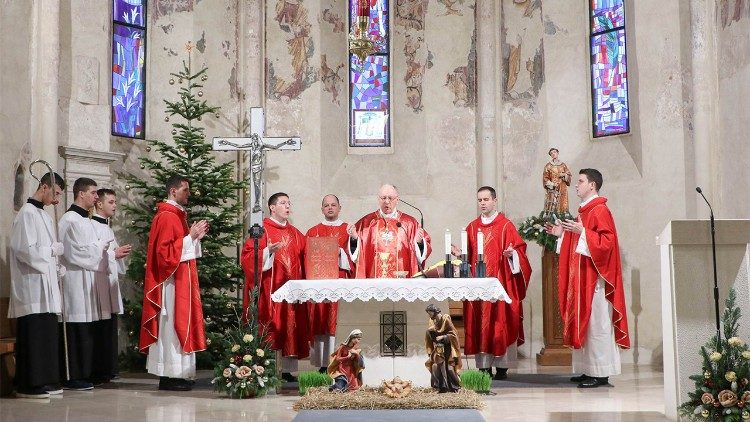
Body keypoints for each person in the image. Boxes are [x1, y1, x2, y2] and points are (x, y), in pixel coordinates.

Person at [544, 168, 630, 388]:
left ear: (592, 185)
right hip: (582, 279)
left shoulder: (600, 210)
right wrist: (562, 235)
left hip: (595, 281)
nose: (576, 185)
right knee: (587, 325)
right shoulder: (584, 211)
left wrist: (583, 231)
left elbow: (607, 243)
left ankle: (601, 373)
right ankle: (587, 368)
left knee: (598, 325)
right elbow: (578, 242)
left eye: (580, 181)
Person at [140, 175, 208, 391]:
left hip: (181, 280)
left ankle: (179, 374)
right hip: (170, 284)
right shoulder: (167, 216)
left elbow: (181, 247)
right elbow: (164, 254)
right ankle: (169, 375)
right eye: (185, 190)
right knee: (171, 328)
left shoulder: (177, 215)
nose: (189, 193)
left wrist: (194, 238)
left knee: (179, 326)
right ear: (173, 191)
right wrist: (190, 237)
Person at [455, 186, 532, 380]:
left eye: (486, 199)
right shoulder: (472, 227)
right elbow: (469, 257)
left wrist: (512, 255)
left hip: (500, 284)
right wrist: (461, 255)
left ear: (494, 201)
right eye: (480, 200)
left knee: (499, 322)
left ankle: (502, 366)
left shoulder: (506, 226)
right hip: (479, 286)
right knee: (480, 323)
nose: (482, 203)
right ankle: (483, 367)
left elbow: (520, 251)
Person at [241, 192, 310, 382]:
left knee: (291, 326)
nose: (287, 206)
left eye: (289, 203)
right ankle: (268, 367)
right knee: (273, 325)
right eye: (282, 203)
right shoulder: (261, 230)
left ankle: (287, 370)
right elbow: (247, 257)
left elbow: (309, 255)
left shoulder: (296, 233)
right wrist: (266, 252)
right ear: (272, 207)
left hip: (292, 293)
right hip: (270, 291)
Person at [9, 172, 66, 398]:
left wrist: (55, 266)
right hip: (31, 287)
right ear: (44, 187)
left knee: (46, 334)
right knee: (34, 335)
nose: (57, 200)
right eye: (56, 193)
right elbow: (23, 249)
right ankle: (28, 383)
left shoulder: (43, 215)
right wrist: (50, 252)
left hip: (46, 285)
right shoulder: (27, 214)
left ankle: (46, 379)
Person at [58, 177, 109, 391]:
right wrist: (99, 246)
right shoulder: (69, 220)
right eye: (93, 192)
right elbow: (76, 253)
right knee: (75, 329)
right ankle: (72, 375)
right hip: (74, 280)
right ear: (81, 194)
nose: (96, 197)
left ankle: (84, 373)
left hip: (86, 280)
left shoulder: (86, 221)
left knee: (86, 329)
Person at [305, 194, 354, 373]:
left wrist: (340, 251)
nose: (330, 208)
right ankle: (323, 364)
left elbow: (356, 255)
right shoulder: (313, 232)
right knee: (322, 322)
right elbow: (307, 257)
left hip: (340, 280)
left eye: (333, 205)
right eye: (326, 205)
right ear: (322, 209)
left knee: (337, 321)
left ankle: (340, 361)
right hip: (320, 283)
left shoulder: (348, 230)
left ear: (339, 207)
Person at [90, 188, 131, 383]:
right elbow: (91, 255)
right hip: (97, 284)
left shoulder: (107, 227)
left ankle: (109, 368)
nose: (115, 206)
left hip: (109, 283)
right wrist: (114, 254)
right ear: (99, 203)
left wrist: (117, 254)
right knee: (100, 326)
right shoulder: (90, 225)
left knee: (109, 325)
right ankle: (100, 369)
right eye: (111, 202)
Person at [348, 184, 431, 278]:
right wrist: (354, 239)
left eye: (390, 198)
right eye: (383, 198)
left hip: (401, 281)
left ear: (397, 200)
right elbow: (356, 256)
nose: (387, 201)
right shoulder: (366, 223)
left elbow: (421, 254)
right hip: (373, 280)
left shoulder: (409, 223)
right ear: (378, 199)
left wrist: (419, 243)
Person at [425, 304, 461, 393]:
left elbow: (454, 334)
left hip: (448, 348)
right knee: (437, 366)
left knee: (449, 368)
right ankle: (440, 387)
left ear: (435, 312)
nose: (429, 315)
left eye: (430, 313)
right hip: (439, 347)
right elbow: (429, 336)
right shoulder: (432, 321)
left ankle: (454, 387)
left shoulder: (445, 319)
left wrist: (443, 337)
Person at [542, 148, 572, 214]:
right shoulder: (548, 166)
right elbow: (545, 178)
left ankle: (563, 217)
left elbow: (569, 175)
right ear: (550, 155)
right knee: (552, 205)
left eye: (554, 152)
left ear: (558, 153)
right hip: (553, 189)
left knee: (562, 205)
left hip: (562, 188)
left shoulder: (563, 165)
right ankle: (551, 219)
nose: (553, 154)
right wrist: (552, 184)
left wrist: (564, 174)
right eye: (551, 153)